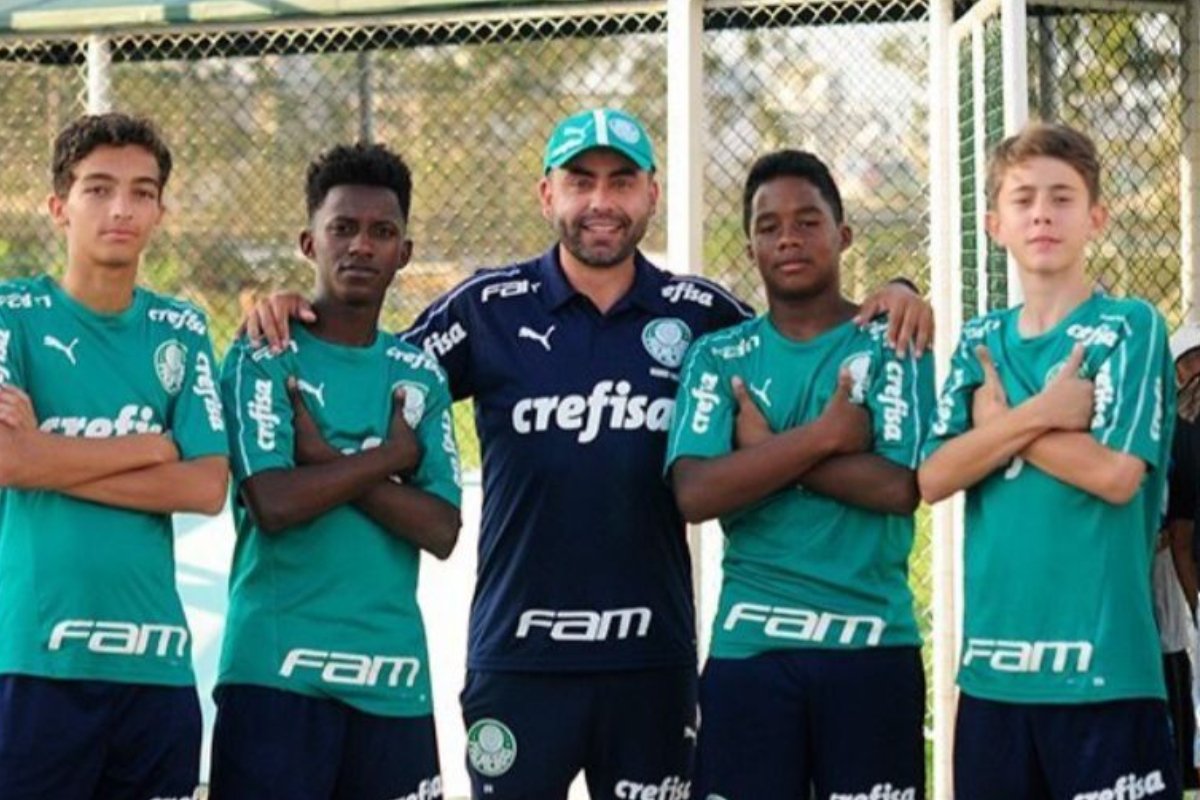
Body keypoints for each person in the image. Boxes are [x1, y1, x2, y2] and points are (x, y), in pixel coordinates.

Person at [245, 108, 933, 798]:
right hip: (519, 658)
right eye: (580, 181)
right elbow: (371, 358)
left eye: (621, 181)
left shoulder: (701, 317)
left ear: (650, 196)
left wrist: (899, 290)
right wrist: (292, 308)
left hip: (651, 660)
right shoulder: (485, 310)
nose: (601, 201)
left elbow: (798, 322)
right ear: (549, 195)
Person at [919, 122, 1178, 799]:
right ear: (995, 223)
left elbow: (1116, 475)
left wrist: (1000, 428)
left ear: (1095, 217)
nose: (1042, 213)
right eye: (1023, 198)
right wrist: (1042, 415)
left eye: (1062, 198)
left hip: (1105, 678)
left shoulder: (1130, 326)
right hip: (992, 682)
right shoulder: (978, 341)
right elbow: (934, 476)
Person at [665, 149, 932, 799]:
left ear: (843, 235)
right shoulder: (718, 355)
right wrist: (825, 438)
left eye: (808, 221)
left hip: (871, 646)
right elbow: (696, 492)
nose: (787, 237)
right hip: (751, 650)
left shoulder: (892, 340)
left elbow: (899, 488)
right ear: (752, 247)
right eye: (768, 225)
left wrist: (764, 452)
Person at [210, 143, 462, 799]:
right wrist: (388, 459)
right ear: (308, 241)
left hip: (395, 683)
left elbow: (440, 529)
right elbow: (273, 502)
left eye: (382, 232)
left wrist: (326, 462)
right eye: (342, 228)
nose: (361, 246)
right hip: (277, 675)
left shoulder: (417, 372)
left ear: (404, 252)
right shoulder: (265, 352)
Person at [0, 112, 230, 798]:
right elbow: (8, 463)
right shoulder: (11, 311)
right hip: (36, 663)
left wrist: (48, 452)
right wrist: (151, 445)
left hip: (154, 669)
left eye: (142, 191)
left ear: (161, 209)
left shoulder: (181, 328)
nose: (121, 208)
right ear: (58, 206)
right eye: (98, 189)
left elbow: (206, 486)